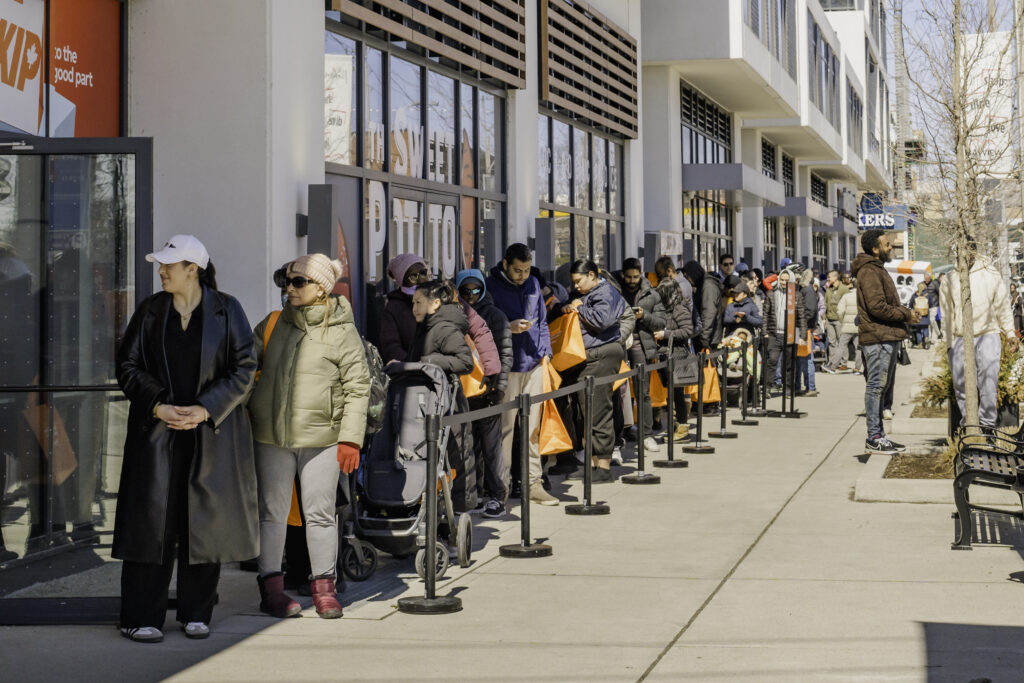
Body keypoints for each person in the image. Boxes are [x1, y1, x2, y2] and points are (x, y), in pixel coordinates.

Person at [114, 235, 258, 643]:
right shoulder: (150, 311)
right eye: (161, 265)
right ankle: (140, 616)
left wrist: (206, 409)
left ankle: (197, 612)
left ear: (192, 269)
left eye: (169, 265)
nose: (161, 271)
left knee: (202, 523)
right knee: (151, 524)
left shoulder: (227, 310)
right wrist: (157, 405)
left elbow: (244, 368)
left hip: (208, 436)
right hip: (156, 434)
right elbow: (126, 365)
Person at [249, 254, 370, 620]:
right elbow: (242, 368)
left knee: (319, 515)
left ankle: (324, 588)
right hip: (271, 436)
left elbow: (358, 386)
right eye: (288, 281)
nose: (290, 288)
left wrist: (351, 439)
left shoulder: (342, 330)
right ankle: (271, 589)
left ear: (321, 288)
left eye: (299, 282)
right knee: (272, 514)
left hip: (324, 439)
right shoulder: (272, 324)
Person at [485, 244, 556, 506]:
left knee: (532, 428)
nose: (522, 275)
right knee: (505, 429)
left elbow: (542, 321)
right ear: (505, 264)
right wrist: (507, 327)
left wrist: (545, 351)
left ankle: (533, 482)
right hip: (507, 365)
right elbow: (482, 324)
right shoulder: (490, 286)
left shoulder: (534, 283)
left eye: (526, 270)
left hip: (534, 362)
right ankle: (500, 488)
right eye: (517, 270)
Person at [852, 230, 921, 454]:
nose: (890, 247)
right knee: (876, 387)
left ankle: (879, 435)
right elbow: (877, 307)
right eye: (887, 244)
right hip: (878, 337)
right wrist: (905, 314)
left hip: (885, 337)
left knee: (881, 388)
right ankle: (874, 437)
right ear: (875, 249)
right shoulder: (870, 271)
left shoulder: (876, 269)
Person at [561, 260, 627, 483]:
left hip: (602, 354)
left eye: (579, 281)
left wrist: (579, 308)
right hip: (588, 357)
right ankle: (592, 464)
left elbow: (602, 320)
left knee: (598, 410)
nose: (576, 286)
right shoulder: (589, 293)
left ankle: (604, 466)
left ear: (591, 274)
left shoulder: (606, 291)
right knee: (586, 410)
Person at [940, 253, 1018, 430]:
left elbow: (1002, 305)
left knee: (988, 382)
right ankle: (970, 425)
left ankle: (988, 425)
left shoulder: (991, 273)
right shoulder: (951, 278)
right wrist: (948, 343)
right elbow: (946, 313)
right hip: (959, 336)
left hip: (988, 333)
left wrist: (1010, 332)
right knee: (961, 384)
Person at [455, 269, 511, 518]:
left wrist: (499, 387)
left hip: (488, 391)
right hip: (465, 392)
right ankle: (475, 493)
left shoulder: (495, 316)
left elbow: (505, 353)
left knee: (492, 447)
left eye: (476, 289)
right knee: (470, 447)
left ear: (483, 289)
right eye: (465, 290)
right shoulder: (455, 314)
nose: (471, 295)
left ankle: (497, 495)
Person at [615, 258, 667, 452]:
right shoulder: (616, 291)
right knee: (619, 392)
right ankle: (623, 433)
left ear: (641, 275)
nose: (631, 280)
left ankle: (646, 435)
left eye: (635, 276)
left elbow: (661, 322)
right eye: (628, 277)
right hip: (619, 344)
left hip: (640, 345)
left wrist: (644, 315)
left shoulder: (651, 294)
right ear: (622, 275)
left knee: (642, 392)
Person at [653, 256, 694, 442]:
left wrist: (665, 334)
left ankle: (682, 427)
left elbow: (687, 330)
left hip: (677, 355)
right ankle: (677, 426)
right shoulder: (669, 310)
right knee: (673, 394)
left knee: (677, 394)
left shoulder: (679, 309)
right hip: (668, 355)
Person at [761, 268, 805, 393]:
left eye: (787, 280)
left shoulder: (797, 295)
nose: (784, 282)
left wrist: (802, 336)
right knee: (772, 361)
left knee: (789, 363)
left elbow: (801, 316)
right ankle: (767, 387)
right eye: (782, 280)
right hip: (774, 334)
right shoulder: (771, 293)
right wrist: (765, 332)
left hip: (791, 334)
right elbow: (765, 315)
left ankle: (788, 389)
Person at [379, 254, 430, 364]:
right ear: (402, 280)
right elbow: (391, 346)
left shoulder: (437, 298)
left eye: (423, 273)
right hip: (411, 373)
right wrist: (414, 364)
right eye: (413, 277)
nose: (421, 280)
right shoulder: (393, 308)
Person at [822, 270, 849, 374]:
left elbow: (847, 304)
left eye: (829, 277)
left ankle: (844, 363)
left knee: (841, 341)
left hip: (839, 320)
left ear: (836, 278)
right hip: (829, 319)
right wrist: (824, 318)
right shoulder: (828, 288)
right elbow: (825, 303)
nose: (828, 279)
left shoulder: (844, 289)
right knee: (832, 342)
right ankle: (833, 363)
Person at [797, 269, 819, 396]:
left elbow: (810, 310)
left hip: (805, 329)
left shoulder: (807, 290)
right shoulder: (806, 289)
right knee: (803, 359)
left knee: (806, 359)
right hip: (804, 328)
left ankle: (810, 387)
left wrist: (803, 324)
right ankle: (807, 386)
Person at [835, 282, 862, 374]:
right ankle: (857, 368)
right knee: (858, 348)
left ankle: (833, 366)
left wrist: (842, 321)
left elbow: (840, 311)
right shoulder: (863, 297)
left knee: (841, 346)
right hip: (859, 326)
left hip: (847, 326)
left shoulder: (846, 296)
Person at [924, 271, 942, 341]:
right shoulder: (923, 284)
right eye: (925, 278)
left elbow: (940, 293)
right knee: (928, 322)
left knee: (932, 320)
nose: (926, 279)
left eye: (927, 278)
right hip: (926, 306)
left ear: (930, 277)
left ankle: (938, 333)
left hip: (934, 304)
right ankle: (930, 338)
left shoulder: (935, 283)